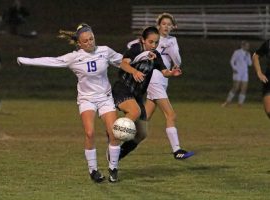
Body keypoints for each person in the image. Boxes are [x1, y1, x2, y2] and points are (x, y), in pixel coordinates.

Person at [17, 23, 124, 183]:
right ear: (79, 44)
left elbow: (124, 61)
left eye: (91, 39)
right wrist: (26, 61)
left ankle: (113, 168)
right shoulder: (74, 57)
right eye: (86, 41)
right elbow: (51, 61)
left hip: (105, 97)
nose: (90, 42)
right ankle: (93, 170)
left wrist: (146, 59)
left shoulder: (105, 51)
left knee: (115, 133)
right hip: (86, 99)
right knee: (89, 133)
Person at [127, 13, 194, 160]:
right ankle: (177, 151)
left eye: (169, 24)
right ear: (159, 25)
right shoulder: (153, 39)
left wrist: (172, 50)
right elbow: (131, 45)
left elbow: (178, 62)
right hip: (154, 80)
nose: (166, 27)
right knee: (171, 115)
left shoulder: (172, 41)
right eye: (164, 24)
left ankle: (123, 136)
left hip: (163, 80)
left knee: (146, 116)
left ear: (173, 27)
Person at [112, 26, 182, 160]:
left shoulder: (156, 55)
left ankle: (119, 154)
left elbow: (164, 72)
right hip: (123, 89)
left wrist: (171, 73)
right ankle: (113, 139)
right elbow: (124, 64)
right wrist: (135, 71)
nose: (153, 45)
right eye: (151, 42)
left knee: (142, 134)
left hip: (137, 95)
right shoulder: (135, 49)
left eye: (156, 42)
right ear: (143, 40)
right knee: (134, 113)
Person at [222, 40, 252, 107]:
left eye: (248, 46)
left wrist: (247, 57)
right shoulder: (237, 52)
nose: (248, 47)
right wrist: (234, 68)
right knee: (236, 87)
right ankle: (227, 102)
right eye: (246, 46)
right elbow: (232, 61)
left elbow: (250, 64)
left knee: (244, 88)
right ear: (242, 46)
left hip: (245, 73)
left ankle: (240, 104)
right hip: (238, 71)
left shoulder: (248, 54)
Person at [252, 39, 270, 119]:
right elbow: (255, 56)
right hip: (268, 80)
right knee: (269, 111)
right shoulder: (268, 43)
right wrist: (259, 73)